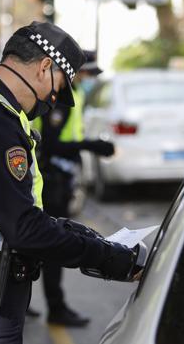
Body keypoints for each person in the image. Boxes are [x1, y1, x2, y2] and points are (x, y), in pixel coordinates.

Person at [0, 21, 140, 344]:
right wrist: (110, 259)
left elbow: (8, 210)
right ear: (45, 66)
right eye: (59, 87)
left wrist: (75, 233)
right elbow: (24, 228)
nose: (53, 98)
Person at [28, 50, 114, 326]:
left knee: (36, 245)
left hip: (57, 177)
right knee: (52, 245)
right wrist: (92, 145)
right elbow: (51, 144)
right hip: (52, 179)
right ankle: (56, 308)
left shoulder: (69, 95)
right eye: (87, 73)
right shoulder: (62, 101)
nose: (89, 79)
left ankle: (21, 300)